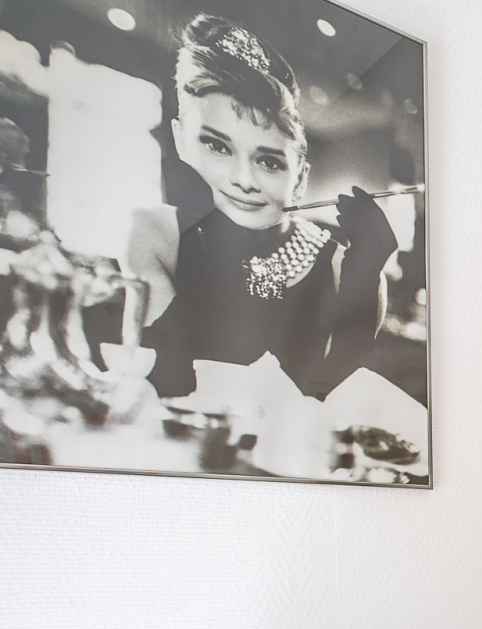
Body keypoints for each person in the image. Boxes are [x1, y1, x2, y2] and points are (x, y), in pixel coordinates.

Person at [125, 14, 398, 400]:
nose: (244, 179)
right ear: (182, 141)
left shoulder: (344, 264)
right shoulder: (156, 233)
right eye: (217, 146)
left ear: (300, 179)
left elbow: (327, 400)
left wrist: (366, 281)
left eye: (269, 161)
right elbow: (172, 373)